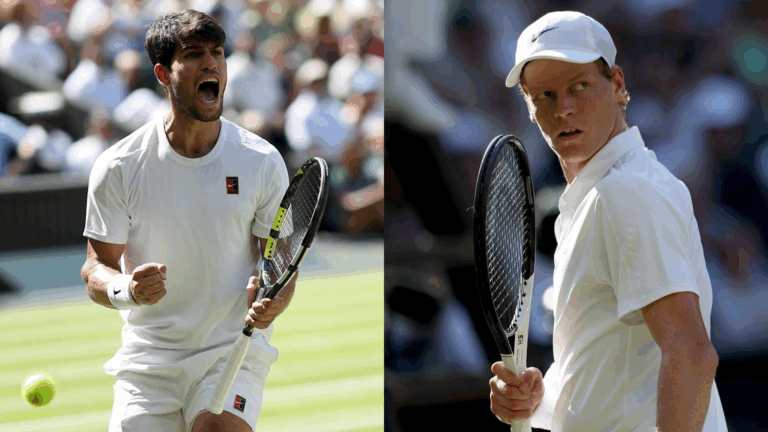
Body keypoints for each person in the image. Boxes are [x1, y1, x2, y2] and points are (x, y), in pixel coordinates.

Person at [488, 11, 728, 432]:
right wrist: (541, 401)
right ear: (529, 107)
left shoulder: (625, 193)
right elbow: (620, 372)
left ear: (617, 85)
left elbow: (691, 354)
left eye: (579, 87)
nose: (563, 109)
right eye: (544, 95)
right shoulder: (604, 194)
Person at [79, 10, 293, 432]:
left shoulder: (262, 160)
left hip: (231, 352)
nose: (211, 63)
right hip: (148, 361)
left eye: (218, 52)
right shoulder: (118, 166)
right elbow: (96, 268)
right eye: (194, 54)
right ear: (163, 74)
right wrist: (128, 289)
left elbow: (282, 261)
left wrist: (275, 300)